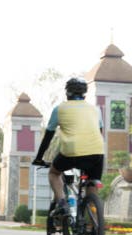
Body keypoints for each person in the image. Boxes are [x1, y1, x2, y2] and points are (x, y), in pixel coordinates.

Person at [33, 77, 104, 215]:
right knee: (92, 183)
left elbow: (48, 137)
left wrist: (39, 158)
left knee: (54, 173)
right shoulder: (96, 110)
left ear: (67, 92)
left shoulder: (59, 109)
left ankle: (62, 202)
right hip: (97, 152)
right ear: (85, 94)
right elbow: (99, 132)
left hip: (71, 152)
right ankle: (94, 224)